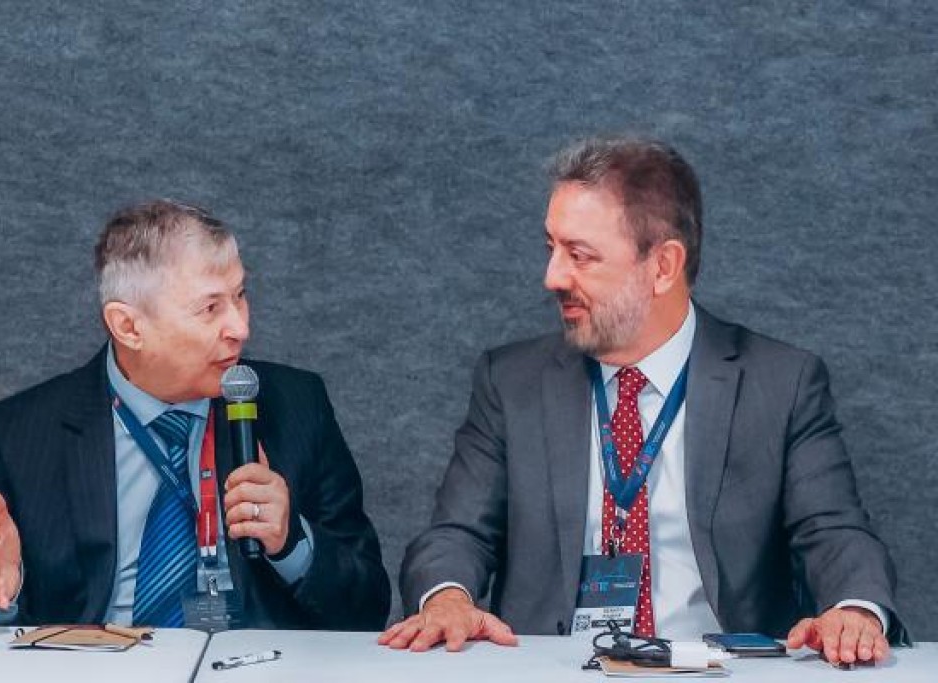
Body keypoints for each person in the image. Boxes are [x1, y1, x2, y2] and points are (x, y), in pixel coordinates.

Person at [380, 137, 906, 663]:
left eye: (580, 256)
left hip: (718, 672)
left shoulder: (781, 383)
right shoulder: (511, 382)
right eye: (551, 249)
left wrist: (853, 610)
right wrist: (448, 598)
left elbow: (834, 532)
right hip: (553, 670)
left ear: (663, 267)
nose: (552, 277)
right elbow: (456, 534)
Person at [0, 199, 389, 630]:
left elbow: (368, 608)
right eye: (210, 308)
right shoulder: (17, 436)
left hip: (254, 666)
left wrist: (292, 542)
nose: (240, 328)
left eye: (240, 295)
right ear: (128, 326)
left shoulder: (296, 405)